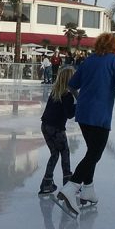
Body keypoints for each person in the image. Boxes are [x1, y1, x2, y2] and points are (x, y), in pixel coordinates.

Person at [55, 33, 115, 217]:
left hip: (83, 114)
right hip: (99, 115)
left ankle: (88, 190)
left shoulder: (89, 61)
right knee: (95, 154)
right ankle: (72, 187)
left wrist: (81, 101)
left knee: (92, 152)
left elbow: (72, 85)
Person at [39, 66, 76, 195]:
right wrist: (80, 104)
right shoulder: (67, 96)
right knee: (65, 153)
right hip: (56, 129)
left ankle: (47, 182)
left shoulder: (55, 92)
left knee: (55, 154)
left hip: (45, 126)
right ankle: (68, 184)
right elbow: (70, 114)